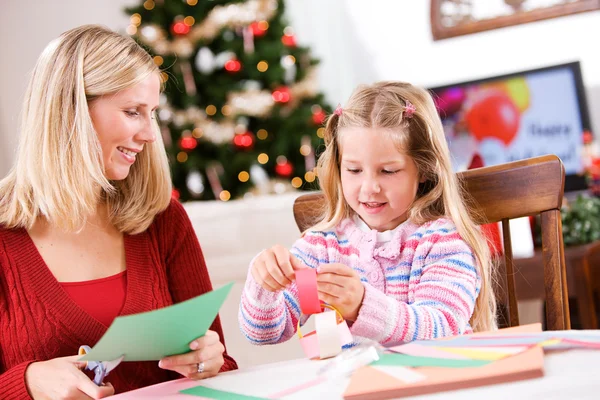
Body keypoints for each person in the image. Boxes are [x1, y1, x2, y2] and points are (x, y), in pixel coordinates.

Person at [0, 25, 237, 399]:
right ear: (71, 110)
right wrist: (28, 382)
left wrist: (210, 361)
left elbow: (220, 366)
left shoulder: (162, 220)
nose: (150, 134)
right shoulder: (5, 239)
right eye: (132, 112)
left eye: (152, 114)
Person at [239, 81, 497, 348]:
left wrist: (362, 305)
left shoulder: (442, 242)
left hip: (437, 383)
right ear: (338, 169)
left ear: (423, 170)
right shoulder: (322, 249)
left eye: (388, 171)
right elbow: (267, 333)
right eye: (354, 170)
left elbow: (444, 326)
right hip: (357, 386)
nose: (370, 187)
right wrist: (263, 284)